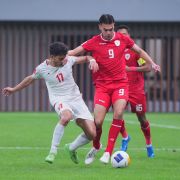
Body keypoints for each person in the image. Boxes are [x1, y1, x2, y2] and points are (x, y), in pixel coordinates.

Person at [68, 14, 160, 164]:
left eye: (111, 29)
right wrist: (55, 58)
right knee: (97, 122)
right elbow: (73, 52)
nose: (109, 32)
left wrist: (153, 63)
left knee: (118, 113)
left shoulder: (122, 39)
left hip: (120, 84)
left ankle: (108, 152)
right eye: (106, 29)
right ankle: (96, 147)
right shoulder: (93, 42)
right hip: (103, 86)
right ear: (100, 27)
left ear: (114, 26)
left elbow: (140, 51)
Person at [2, 42, 99, 164]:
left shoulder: (68, 60)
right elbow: (29, 80)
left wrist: (92, 60)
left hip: (76, 99)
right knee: (66, 117)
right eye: (60, 59)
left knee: (92, 134)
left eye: (64, 58)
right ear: (52, 57)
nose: (63, 61)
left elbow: (86, 57)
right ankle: (53, 151)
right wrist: (14, 89)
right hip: (59, 99)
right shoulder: (42, 68)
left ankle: (71, 147)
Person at [116, 25, 155, 158]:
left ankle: (149, 144)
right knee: (118, 114)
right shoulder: (114, 51)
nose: (123, 36)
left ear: (129, 36)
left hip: (136, 90)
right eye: (120, 34)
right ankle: (125, 137)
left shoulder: (135, 51)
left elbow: (148, 67)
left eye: (125, 34)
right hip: (120, 88)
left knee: (142, 118)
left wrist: (130, 69)